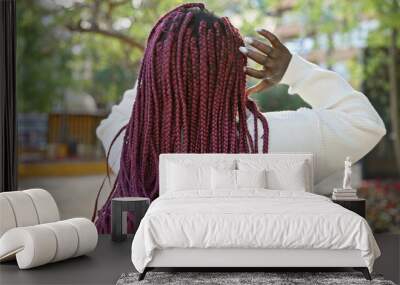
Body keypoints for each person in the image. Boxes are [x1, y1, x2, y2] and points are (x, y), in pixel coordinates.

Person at [95, 3, 386, 233]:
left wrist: (163, 58)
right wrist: (294, 71)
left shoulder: (128, 145)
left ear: (154, 73)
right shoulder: (273, 142)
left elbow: (123, 112)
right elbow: (365, 123)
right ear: (237, 73)